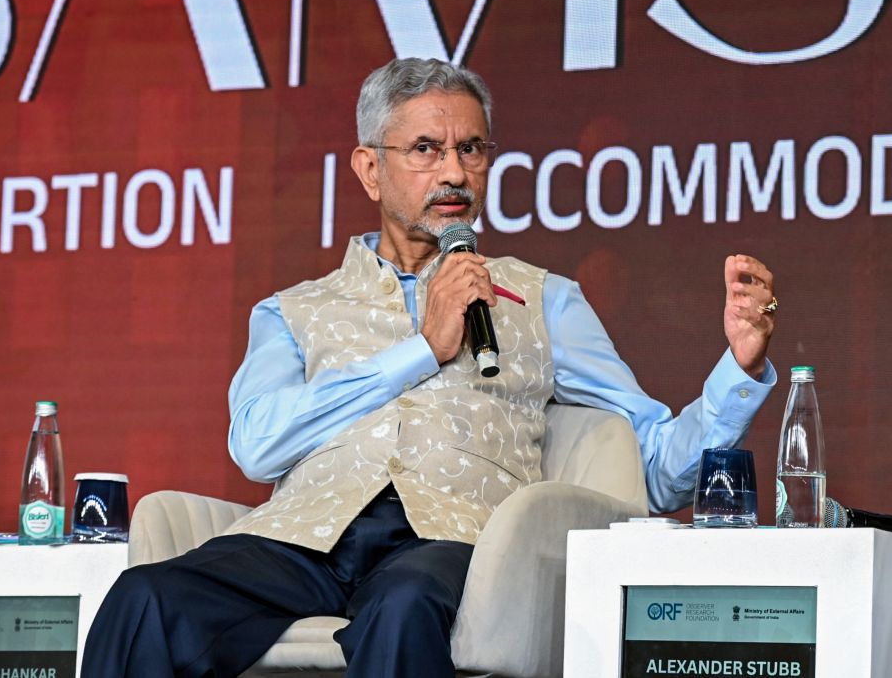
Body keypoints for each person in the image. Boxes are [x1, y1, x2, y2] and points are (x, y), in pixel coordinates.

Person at [82, 57, 778, 678]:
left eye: (470, 149)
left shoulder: (544, 299)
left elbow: (654, 468)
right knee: (144, 599)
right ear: (369, 169)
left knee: (404, 603)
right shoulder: (293, 310)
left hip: (453, 542)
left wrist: (738, 370)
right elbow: (257, 445)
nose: (453, 173)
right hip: (301, 541)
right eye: (425, 149)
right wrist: (422, 349)